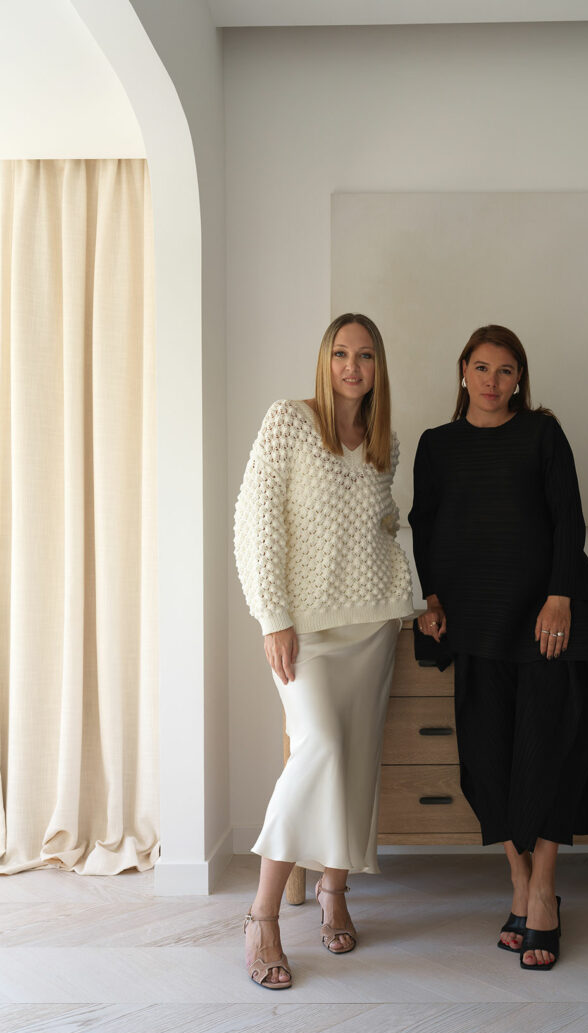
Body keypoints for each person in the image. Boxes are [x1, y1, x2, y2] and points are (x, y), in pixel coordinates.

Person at [408, 325, 588, 972]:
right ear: (462, 372)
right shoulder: (436, 445)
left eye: (506, 371)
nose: (492, 382)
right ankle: (522, 881)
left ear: (520, 379)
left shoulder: (543, 434)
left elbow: (569, 518)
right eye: (481, 368)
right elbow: (425, 527)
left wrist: (560, 597)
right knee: (487, 756)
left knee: (551, 747)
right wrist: (431, 600)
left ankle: (544, 898)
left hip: (546, 618)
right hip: (474, 619)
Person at [234, 313, 413, 989]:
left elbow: (385, 523)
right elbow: (256, 521)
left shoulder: (384, 443)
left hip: (372, 627)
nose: (351, 366)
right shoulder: (289, 421)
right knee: (322, 750)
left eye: (365, 355)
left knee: (356, 762)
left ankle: (335, 894)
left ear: (378, 367)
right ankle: (263, 916)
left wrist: (415, 600)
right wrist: (273, 619)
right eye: (341, 353)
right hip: (304, 629)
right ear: (325, 359)